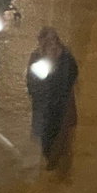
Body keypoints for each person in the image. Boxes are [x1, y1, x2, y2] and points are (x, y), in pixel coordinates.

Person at [26, 27, 79, 174]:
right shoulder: (37, 57)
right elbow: (32, 79)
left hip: (62, 102)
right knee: (46, 132)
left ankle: (57, 157)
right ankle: (50, 157)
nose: (50, 44)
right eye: (46, 41)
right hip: (45, 103)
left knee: (62, 131)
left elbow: (72, 74)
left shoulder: (65, 57)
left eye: (52, 40)